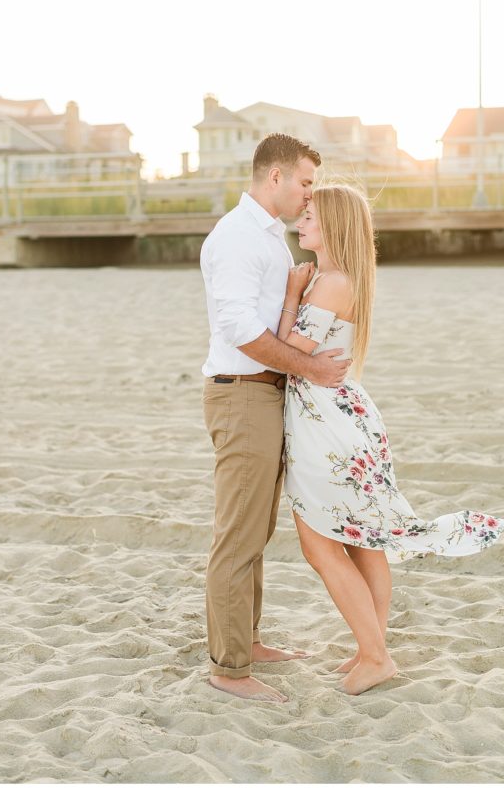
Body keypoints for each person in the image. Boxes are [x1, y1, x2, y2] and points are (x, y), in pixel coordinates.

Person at [278, 183, 504, 696]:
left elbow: (288, 348)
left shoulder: (331, 281)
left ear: (334, 223)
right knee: (364, 540)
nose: (301, 220)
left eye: (311, 215)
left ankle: (377, 656)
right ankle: (369, 648)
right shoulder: (336, 277)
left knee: (321, 546)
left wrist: (292, 295)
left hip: (329, 428)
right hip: (341, 419)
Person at [199, 134, 351, 705]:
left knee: (255, 527)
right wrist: (308, 367)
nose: (309, 194)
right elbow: (240, 328)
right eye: (306, 181)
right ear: (276, 178)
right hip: (241, 394)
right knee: (238, 533)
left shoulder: (269, 239)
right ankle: (230, 669)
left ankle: (248, 641)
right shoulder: (240, 238)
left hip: (262, 395)